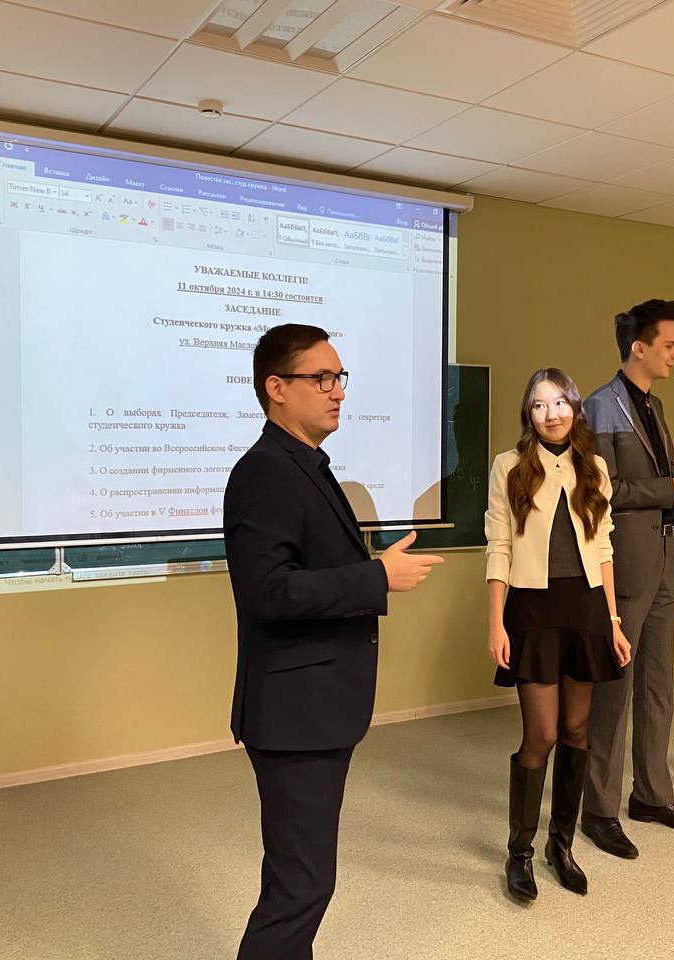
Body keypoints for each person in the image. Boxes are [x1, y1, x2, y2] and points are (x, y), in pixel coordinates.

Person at [224, 323, 444, 959]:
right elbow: (267, 592)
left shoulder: (307, 466)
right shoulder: (265, 472)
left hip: (317, 707)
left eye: (339, 378)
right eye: (321, 378)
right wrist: (375, 577)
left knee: (303, 882)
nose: (338, 391)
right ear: (276, 388)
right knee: (300, 888)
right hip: (295, 715)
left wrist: (369, 574)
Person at [581, 299, 674, 859]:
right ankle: (599, 810)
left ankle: (652, 796)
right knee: (614, 691)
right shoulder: (600, 407)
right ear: (638, 347)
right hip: (625, 564)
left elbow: (658, 480)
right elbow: (603, 490)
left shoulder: (654, 404)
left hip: (666, 559)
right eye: (670, 344)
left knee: (658, 686)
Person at [486, 368, 632, 902]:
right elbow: (499, 545)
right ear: (529, 414)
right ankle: (519, 852)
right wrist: (496, 622)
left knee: (576, 729)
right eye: (540, 405)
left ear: (575, 408)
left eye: (561, 403)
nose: (552, 414)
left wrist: (613, 623)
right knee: (542, 734)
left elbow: (605, 548)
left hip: (587, 609)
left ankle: (561, 845)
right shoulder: (509, 465)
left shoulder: (594, 466)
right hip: (533, 610)